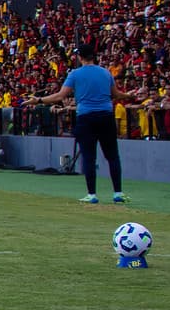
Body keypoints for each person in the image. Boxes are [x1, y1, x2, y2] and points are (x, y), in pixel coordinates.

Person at [33, 39, 140, 203]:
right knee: (112, 156)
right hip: (105, 115)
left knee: (89, 157)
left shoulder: (75, 74)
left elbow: (60, 96)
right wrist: (130, 95)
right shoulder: (105, 73)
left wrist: (39, 100)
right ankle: (117, 193)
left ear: (80, 57)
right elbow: (116, 94)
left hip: (86, 117)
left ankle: (92, 194)